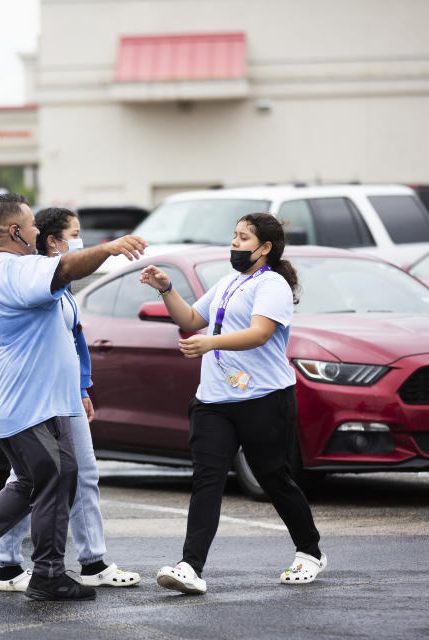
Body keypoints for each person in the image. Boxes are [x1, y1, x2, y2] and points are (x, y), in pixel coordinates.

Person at [0, 193, 147, 601]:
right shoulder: (12, 271)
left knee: (44, 478)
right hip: (28, 406)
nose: (38, 232)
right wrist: (108, 248)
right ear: (15, 231)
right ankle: (48, 573)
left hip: (38, 403)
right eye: (32, 226)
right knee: (54, 477)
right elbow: (65, 268)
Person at [138, 212, 325, 595]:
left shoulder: (271, 284)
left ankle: (310, 551)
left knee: (274, 476)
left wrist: (210, 342)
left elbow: (259, 333)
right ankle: (190, 566)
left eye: (243, 238)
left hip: (264, 398)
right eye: (234, 236)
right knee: (207, 479)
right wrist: (166, 288)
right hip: (213, 401)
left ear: (265, 247)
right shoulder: (229, 282)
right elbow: (191, 317)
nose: (235, 243)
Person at [0, 207, 141, 593]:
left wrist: (82, 387)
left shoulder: (62, 284)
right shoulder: (35, 279)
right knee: (31, 478)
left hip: (65, 393)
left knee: (83, 474)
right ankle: (6, 562)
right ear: (53, 241)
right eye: (74, 233)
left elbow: (73, 340)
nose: (80, 238)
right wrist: (109, 250)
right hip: (36, 397)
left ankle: (93, 560)